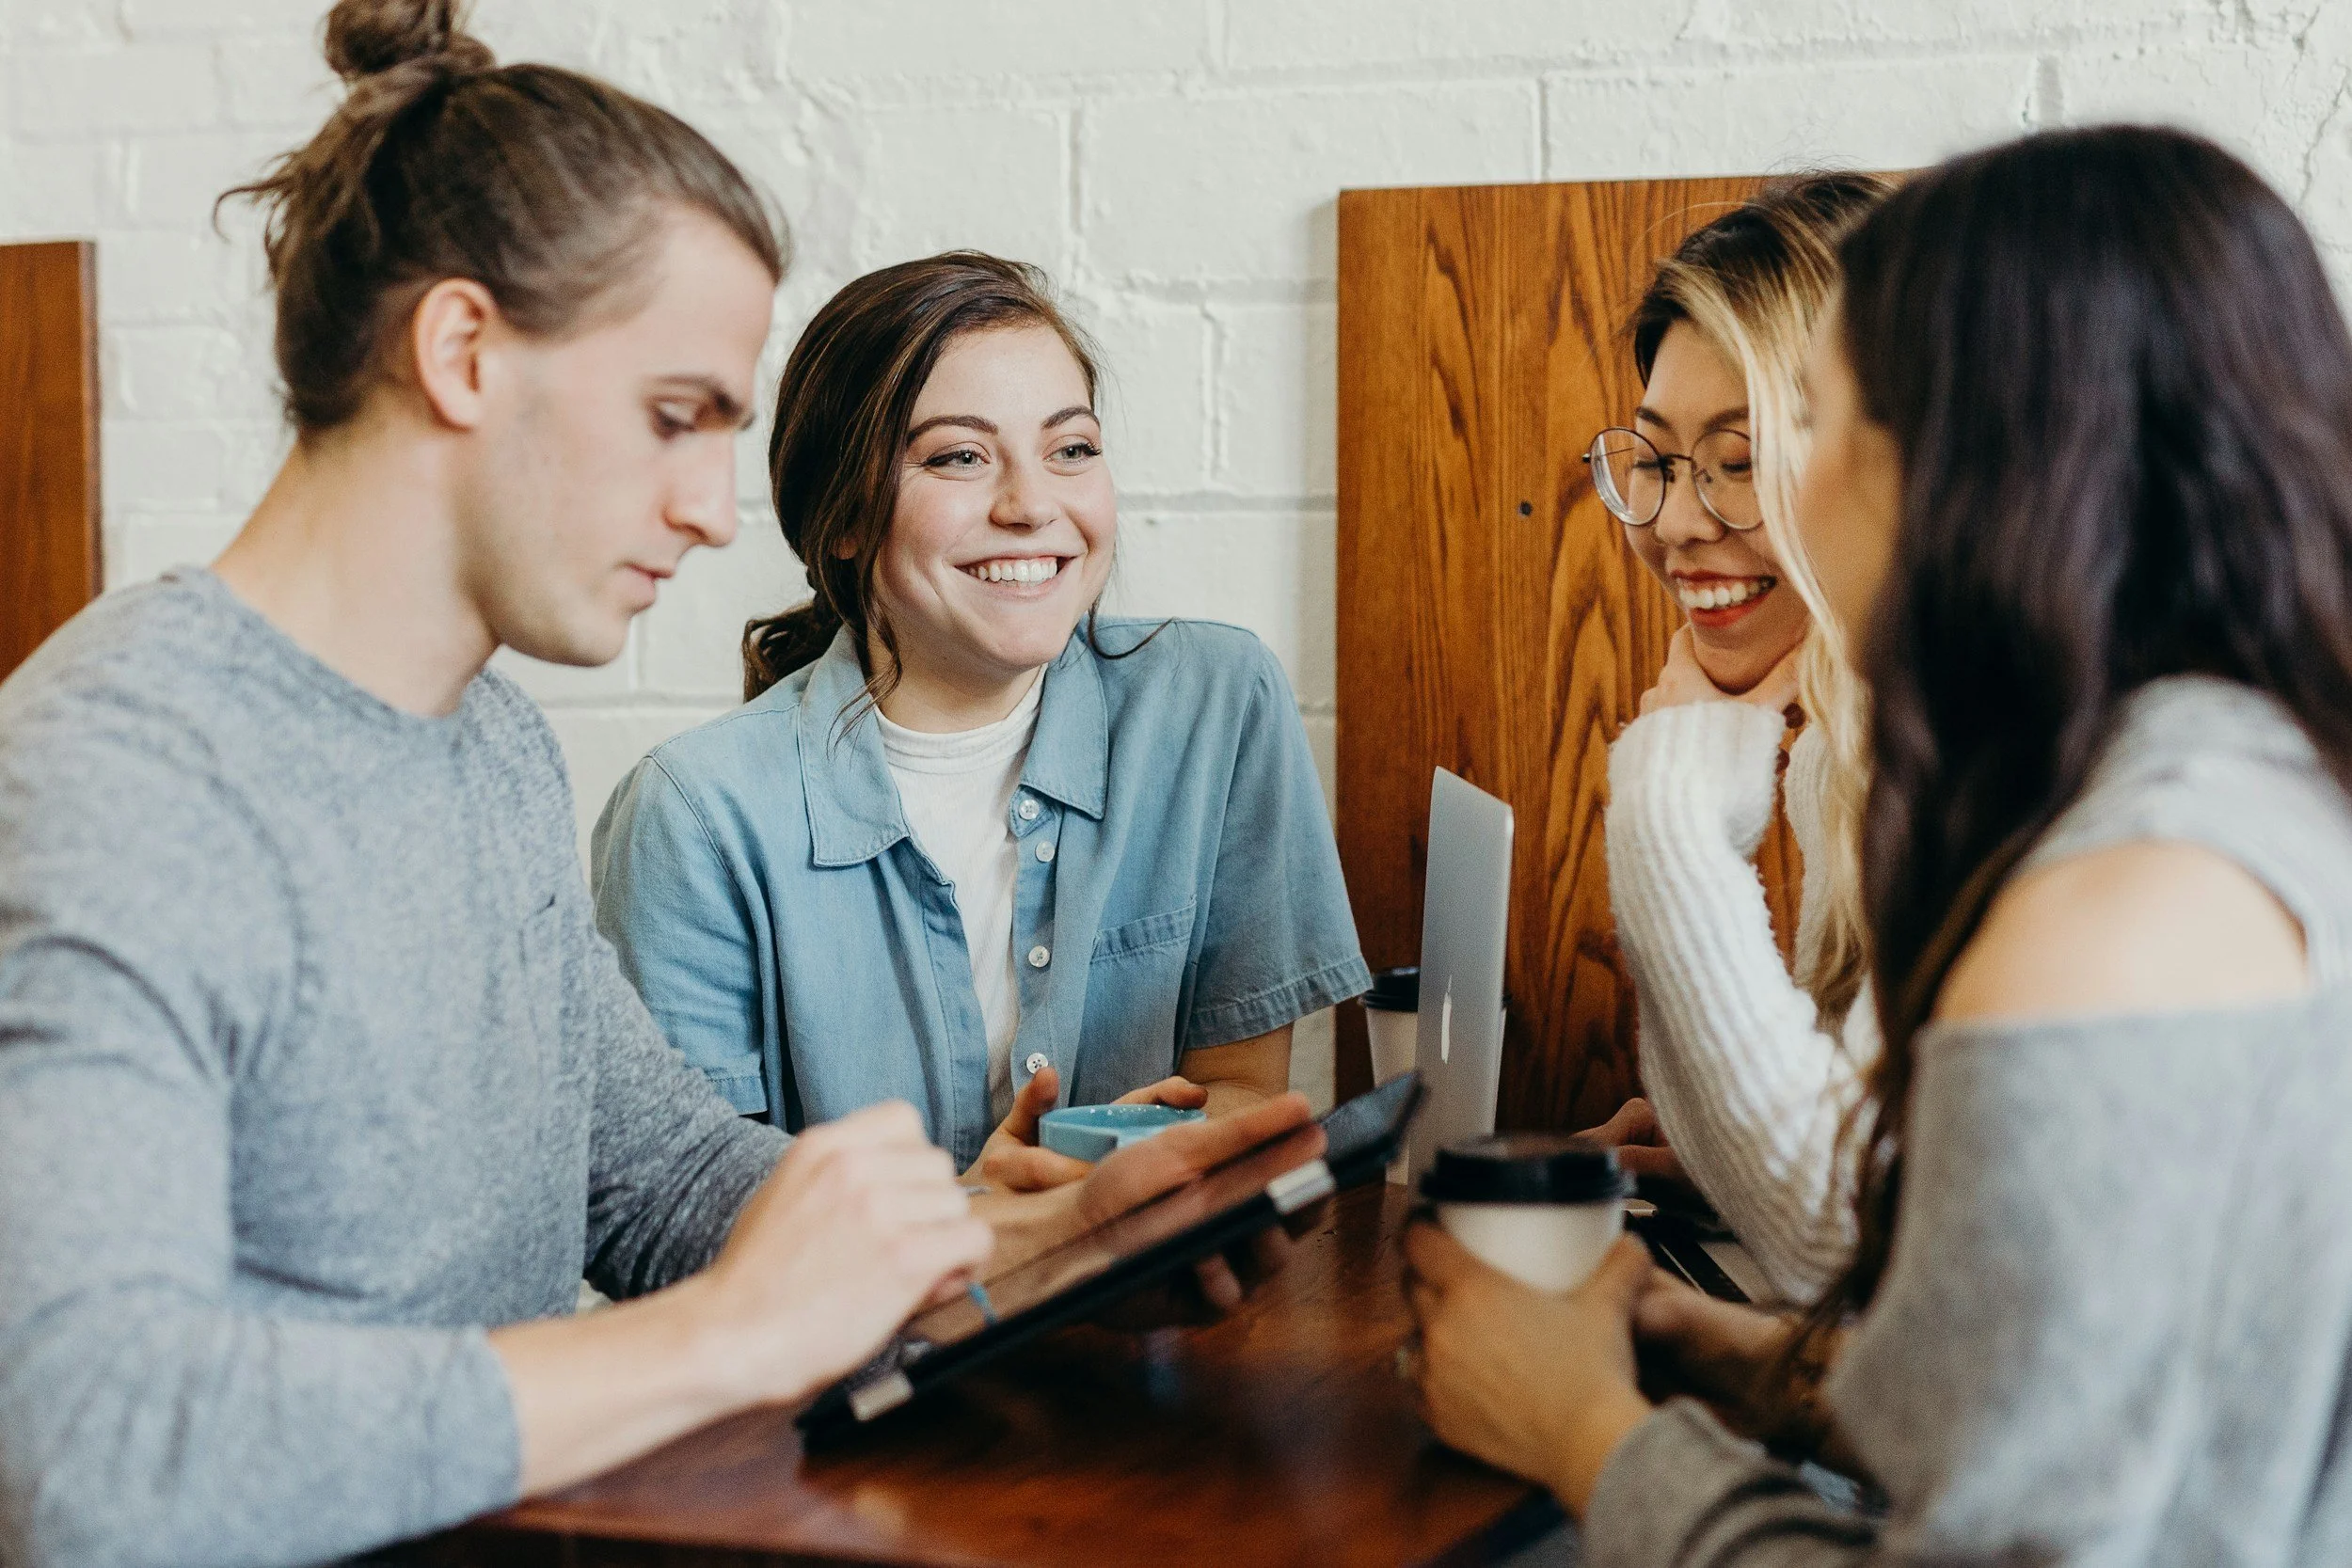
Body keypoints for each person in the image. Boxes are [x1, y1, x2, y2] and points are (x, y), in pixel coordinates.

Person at [0, 6, 1314, 1564]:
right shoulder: (114, 775)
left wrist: (1022, 1249)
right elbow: (86, 1450)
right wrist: (728, 1339)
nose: (711, 511)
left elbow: (666, 1176)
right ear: (463, 351)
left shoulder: (484, 745)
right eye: (675, 416)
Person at [1406, 125, 2352, 1560]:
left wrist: (1585, 1431)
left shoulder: (2111, 909)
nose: (1732, 507)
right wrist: (1742, 1360)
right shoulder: (2243, 785)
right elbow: (2082, 1416)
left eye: (1817, 422)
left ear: (1976, 459)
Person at [592, 251, 1371, 1185]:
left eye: (1070, 449)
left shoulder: (1215, 703)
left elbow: (1242, 1090)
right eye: (958, 456)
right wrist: (988, 1223)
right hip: (867, 1332)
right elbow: (692, 1216)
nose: (1032, 504)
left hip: (1150, 1313)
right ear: (839, 517)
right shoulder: (692, 815)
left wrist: (1129, 1169)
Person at [1581, 175, 1889, 1303]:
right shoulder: (1845, 749)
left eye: (1740, 457)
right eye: (1656, 459)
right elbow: (1856, 1191)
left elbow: (1835, 1241)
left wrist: (1667, 800)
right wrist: (1719, 1143)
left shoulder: (1974, 760)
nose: (1673, 520)